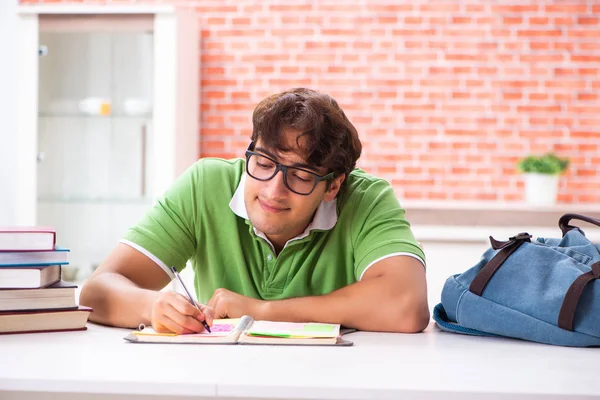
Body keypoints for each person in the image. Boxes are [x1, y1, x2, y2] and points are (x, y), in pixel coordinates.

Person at [80, 88, 429, 334]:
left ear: (333, 186)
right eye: (263, 163)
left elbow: (405, 304)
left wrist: (261, 311)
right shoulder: (206, 184)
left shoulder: (365, 199)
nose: (273, 190)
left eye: (301, 176)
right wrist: (151, 306)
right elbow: (97, 291)